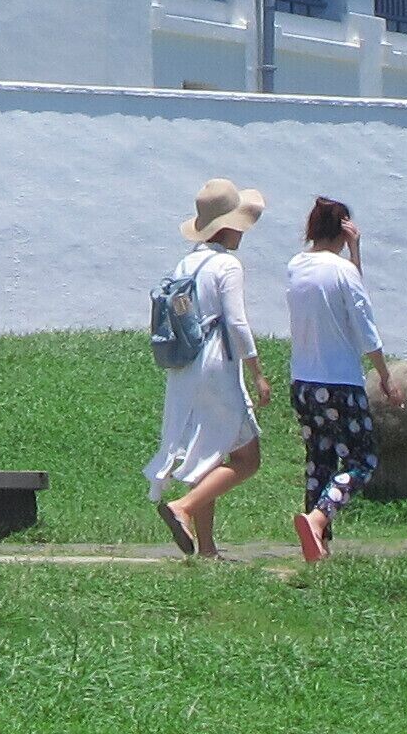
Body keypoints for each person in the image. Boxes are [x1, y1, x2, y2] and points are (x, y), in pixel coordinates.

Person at [146, 178, 270, 558]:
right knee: (248, 459)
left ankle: (208, 548)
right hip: (217, 363)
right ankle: (183, 507)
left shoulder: (187, 262)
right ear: (230, 226)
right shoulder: (227, 265)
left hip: (185, 364)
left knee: (208, 452)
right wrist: (257, 372)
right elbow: (237, 323)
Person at [284, 196, 394, 563]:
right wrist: (385, 376)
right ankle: (317, 519)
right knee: (363, 461)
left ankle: (318, 547)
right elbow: (362, 321)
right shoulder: (344, 270)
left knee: (319, 461)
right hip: (340, 383)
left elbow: (345, 296)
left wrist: (351, 254)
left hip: (303, 381)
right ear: (344, 228)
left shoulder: (296, 266)